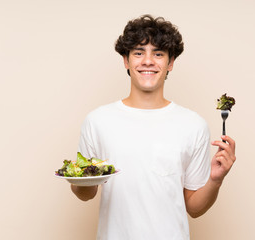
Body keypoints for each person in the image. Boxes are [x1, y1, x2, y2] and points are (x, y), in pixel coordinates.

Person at [71, 14, 236, 240]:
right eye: (139, 52)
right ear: (126, 61)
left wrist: (216, 180)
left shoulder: (193, 125)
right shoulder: (97, 121)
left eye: (158, 54)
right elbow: (86, 194)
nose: (148, 61)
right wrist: (79, 179)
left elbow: (195, 208)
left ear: (170, 63)